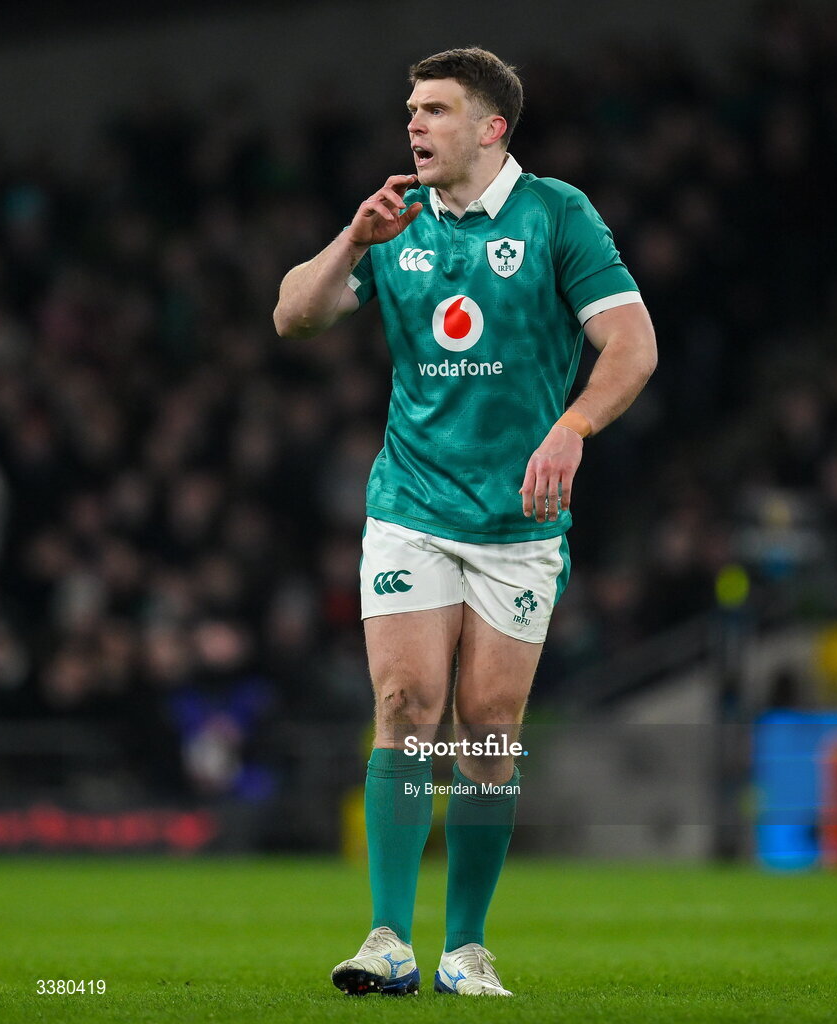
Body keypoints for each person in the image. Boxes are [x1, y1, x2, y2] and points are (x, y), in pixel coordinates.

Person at [274, 47, 656, 998]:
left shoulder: (557, 215)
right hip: (411, 504)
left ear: (492, 128)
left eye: (436, 110)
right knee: (408, 709)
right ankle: (388, 942)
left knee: (486, 731)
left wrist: (571, 428)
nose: (414, 125)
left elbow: (633, 344)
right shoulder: (394, 222)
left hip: (519, 523)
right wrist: (352, 242)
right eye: (410, 108)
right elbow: (293, 317)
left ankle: (466, 947)